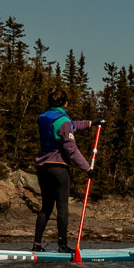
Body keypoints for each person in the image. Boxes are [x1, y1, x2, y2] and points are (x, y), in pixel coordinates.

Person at [33, 87, 105, 252]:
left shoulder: (44, 117)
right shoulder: (63, 121)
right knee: (62, 207)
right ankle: (63, 245)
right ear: (65, 102)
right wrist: (87, 169)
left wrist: (91, 123)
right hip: (59, 169)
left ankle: (36, 244)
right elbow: (71, 149)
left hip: (43, 168)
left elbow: (71, 126)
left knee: (46, 207)